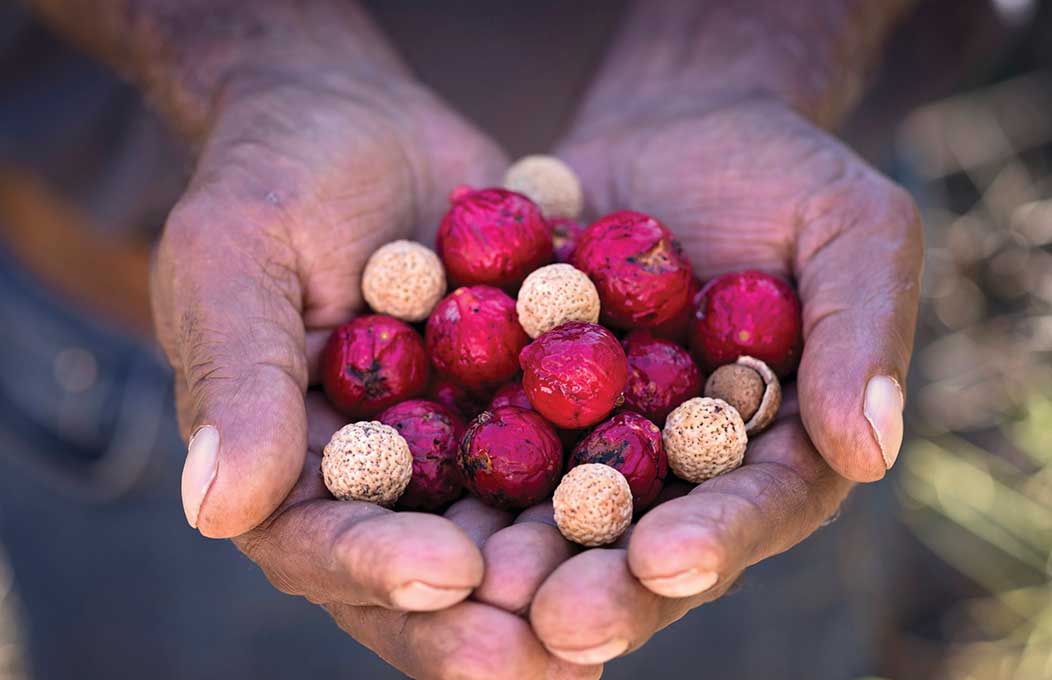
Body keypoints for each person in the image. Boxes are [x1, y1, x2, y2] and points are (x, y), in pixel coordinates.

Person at [3, 1, 938, 677]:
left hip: (804, 188)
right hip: (98, 334)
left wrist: (748, 46)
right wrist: (260, 57)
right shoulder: (456, 344)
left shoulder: (650, 370)